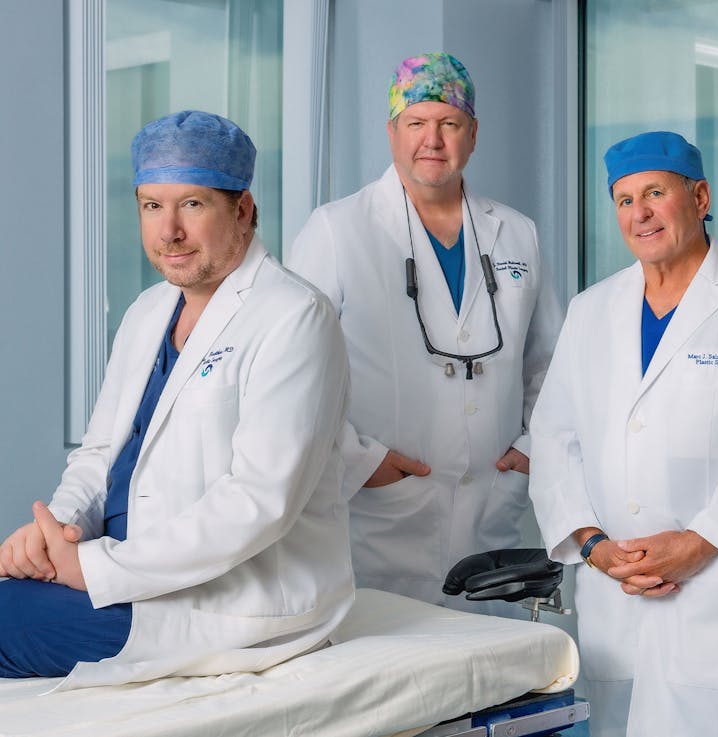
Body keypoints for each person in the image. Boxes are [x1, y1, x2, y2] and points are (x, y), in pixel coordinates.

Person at [0, 110, 354, 689]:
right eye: (151, 206)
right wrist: (57, 534)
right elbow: (100, 454)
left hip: (232, 602)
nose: (169, 232)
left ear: (242, 209)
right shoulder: (147, 312)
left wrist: (93, 568)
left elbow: (258, 502)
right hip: (127, 573)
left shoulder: (295, 317)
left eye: (192, 205)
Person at [529, 131, 718, 736]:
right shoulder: (591, 310)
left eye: (656, 193)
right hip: (617, 590)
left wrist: (696, 544)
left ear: (701, 196)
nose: (640, 213)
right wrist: (592, 546)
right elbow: (554, 438)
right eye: (624, 199)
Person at [285, 53, 563, 612]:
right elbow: (293, 376)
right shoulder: (338, 230)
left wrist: (536, 447)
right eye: (416, 123)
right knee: (395, 675)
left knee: (492, 675)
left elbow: (549, 362)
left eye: (450, 123)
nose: (432, 139)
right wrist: (361, 462)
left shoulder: (517, 234)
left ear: (473, 133)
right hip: (382, 513)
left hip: (495, 506)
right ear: (392, 132)